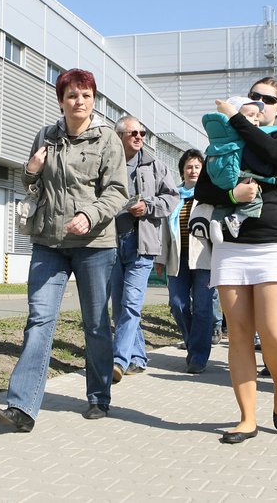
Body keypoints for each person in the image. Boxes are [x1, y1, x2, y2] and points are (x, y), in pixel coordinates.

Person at [0, 69, 128, 432]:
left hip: (94, 244)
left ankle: (99, 395)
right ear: (61, 100)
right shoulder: (46, 136)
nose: (78, 101)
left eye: (85, 95)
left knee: (96, 323)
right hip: (49, 242)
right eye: (71, 95)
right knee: (39, 321)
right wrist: (30, 170)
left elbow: (117, 191)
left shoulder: (108, 139)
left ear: (93, 100)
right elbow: (33, 183)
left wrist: (89, 214)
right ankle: (22, 407)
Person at [194, 76, 277, 443]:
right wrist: (232, 192)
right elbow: (203, 187)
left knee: (273, 331)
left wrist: (237, 119)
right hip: (233, 244)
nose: (258, 102)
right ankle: (246, 418)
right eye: (252, 96)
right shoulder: (225, 141)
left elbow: (274, 158)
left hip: (276, 242)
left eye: (267, 99)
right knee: (238, 333)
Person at [109, 116, 179, 381]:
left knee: (131, 304)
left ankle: (119, 360)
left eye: (142, 133)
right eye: (133, 133)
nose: (139, 137)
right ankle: (137, 356)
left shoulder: (155, 165)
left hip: (143, 244)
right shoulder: (108, 164)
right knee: (120, 307)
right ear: (119, 137)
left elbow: (172, 198)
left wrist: (148, 206)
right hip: (112, 244)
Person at [155, 149, 214, 374]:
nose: (193, 171)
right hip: (177, 259)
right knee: (177, 304)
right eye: (189, 167)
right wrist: (160, 259)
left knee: (202, 307)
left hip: (204, 260)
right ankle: (193, 343)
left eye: (197, 167)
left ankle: (198, 356)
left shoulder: (209, 196)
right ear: (182, 171)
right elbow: (163, 230)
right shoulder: (173, 196)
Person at [201, 96, 269, 238]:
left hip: (219, 180)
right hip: (237, 176)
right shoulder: (242, 140)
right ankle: (237, 219)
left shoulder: (219, 140)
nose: (256, 119)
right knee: (255, 199)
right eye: (250, 115)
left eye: (257, 116)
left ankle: (216, 221)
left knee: (223, 205)